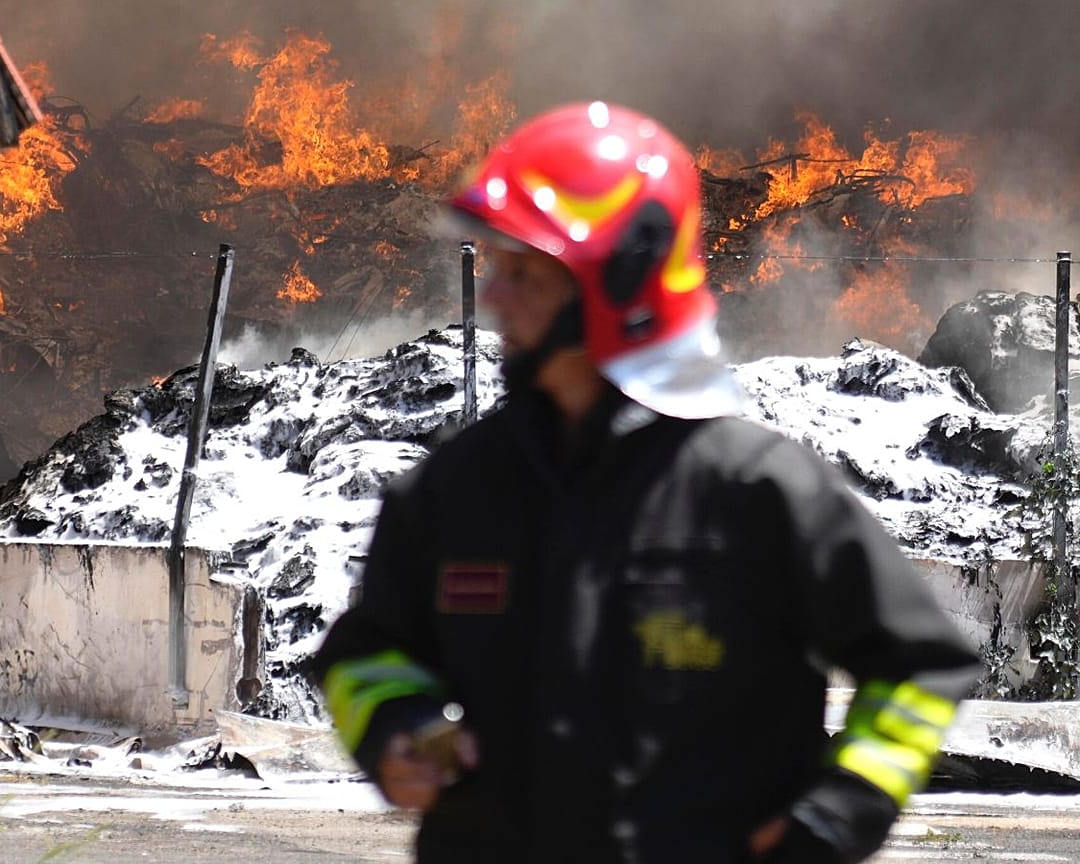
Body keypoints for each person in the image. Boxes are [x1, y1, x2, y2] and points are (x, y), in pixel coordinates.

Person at [310, 101, 981, 864]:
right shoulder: (455, 488)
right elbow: (365, 653)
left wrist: (837, 816)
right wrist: (396, 727)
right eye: (496, 267)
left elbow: (920, 667)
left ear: (622, 280)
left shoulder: (757, 492)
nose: (494, 297)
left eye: (525, 272)